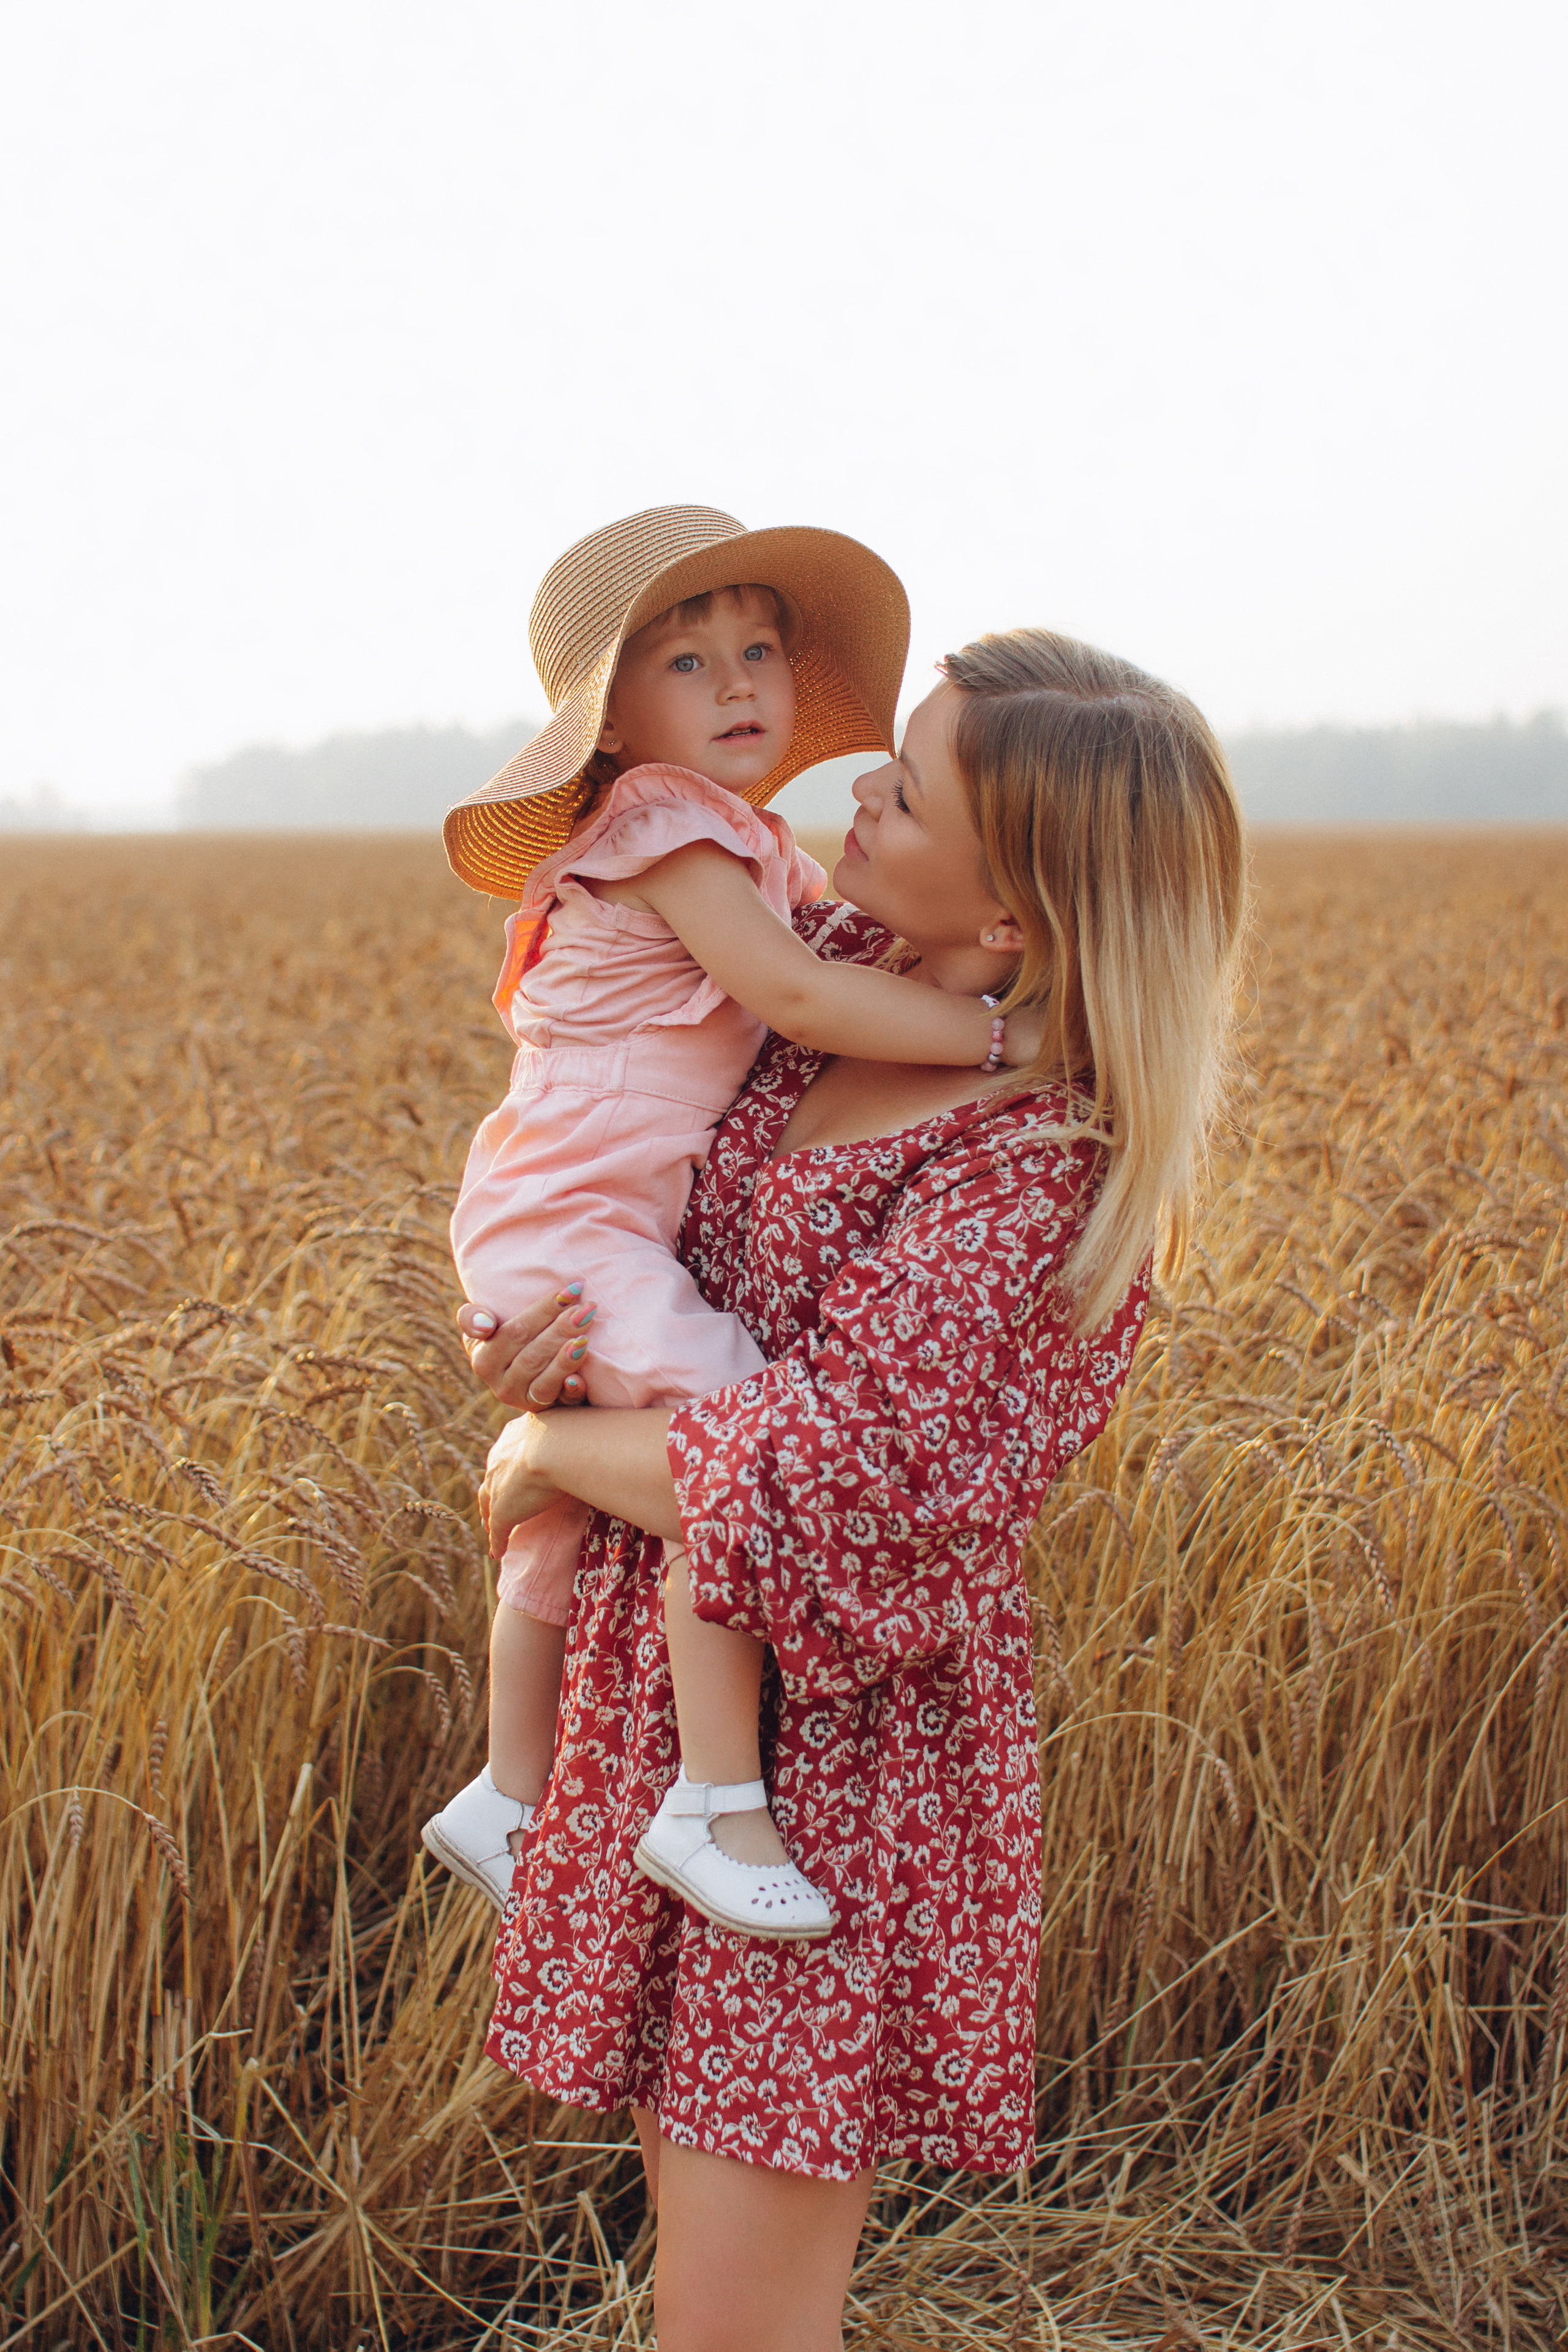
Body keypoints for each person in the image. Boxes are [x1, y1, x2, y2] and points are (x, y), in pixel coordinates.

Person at [462, 626, 1246, 2352]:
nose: (849, 801)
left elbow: (838, 1482)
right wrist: (540, 1334)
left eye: (904, 794)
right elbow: (602, 1127)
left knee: (740, 2328)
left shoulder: (1039, 1170)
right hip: (659, 1704)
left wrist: (543, 1454)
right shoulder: (816, 962)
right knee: (690, 2255)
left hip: (828, 1791)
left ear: (1018, 922)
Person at [423, 507, 1042, 1937]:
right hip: (571, 1221)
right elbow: (811, 995)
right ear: (613, 726)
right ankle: (713, 1799)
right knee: (738, 1436)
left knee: (560, 1521)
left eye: (756, 648)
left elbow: (833, 948)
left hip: (555, 1217)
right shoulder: (661, 824)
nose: (743, 682)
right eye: (688, 662)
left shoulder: (735, 839)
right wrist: (993, 1041)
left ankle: (507, 1796)